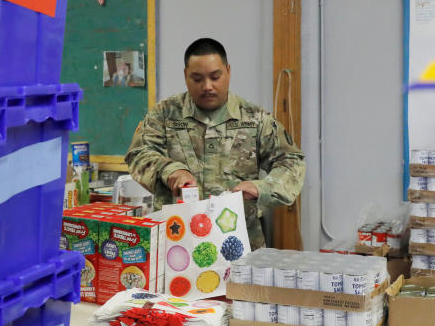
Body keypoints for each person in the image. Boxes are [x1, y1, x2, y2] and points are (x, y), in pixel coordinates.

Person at [125, 38, 305, 249]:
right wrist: (170, 170)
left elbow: (291, 161)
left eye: (215, 77)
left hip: (239, 243)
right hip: (177, 244)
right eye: (197, 78)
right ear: (185, 75)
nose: (207, 86)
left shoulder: (254, 119)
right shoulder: (164, 114)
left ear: (228, 72)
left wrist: (261, 188)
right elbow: (138, 153)